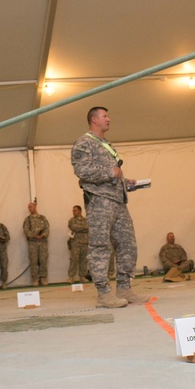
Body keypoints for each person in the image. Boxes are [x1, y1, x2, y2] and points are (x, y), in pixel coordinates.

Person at [70, 107, 147, 308]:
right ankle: (103, 294)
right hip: (99, 202)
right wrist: (110, 172)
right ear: (94, 119)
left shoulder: (105, 144)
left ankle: (124, 288)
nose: (109, 119)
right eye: (105, 116)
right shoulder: (84, 142)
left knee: (127, 244)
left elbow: (113, 174)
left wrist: (125, 182)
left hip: (118, 201)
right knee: (100, 246)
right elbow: (82, 170)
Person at [22, 201, 50, 286]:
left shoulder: (42, 218)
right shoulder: (28, 219)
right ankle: (35, 279)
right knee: (33, 261)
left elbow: (47, 228)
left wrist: (43, 235)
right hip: (33, 243)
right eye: (28, 207)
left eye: (31, 206)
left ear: (35, 206)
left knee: (43, 260)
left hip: (42, 243)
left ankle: (43, 278)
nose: (30, 208)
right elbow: (26, 230)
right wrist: (34, 236)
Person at [67, 204, 90, 283]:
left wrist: (80, 228)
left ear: (80, 211)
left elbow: (89, 228)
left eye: (75, 210)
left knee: (83, 260)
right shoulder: (72, 220)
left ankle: (82, 276)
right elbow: (73, 227)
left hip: (85, 243)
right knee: (73, 259)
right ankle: (71, 277)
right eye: (73, 210)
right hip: (75, 243)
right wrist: (83, 228)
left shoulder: (86, 220)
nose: (73, 212)